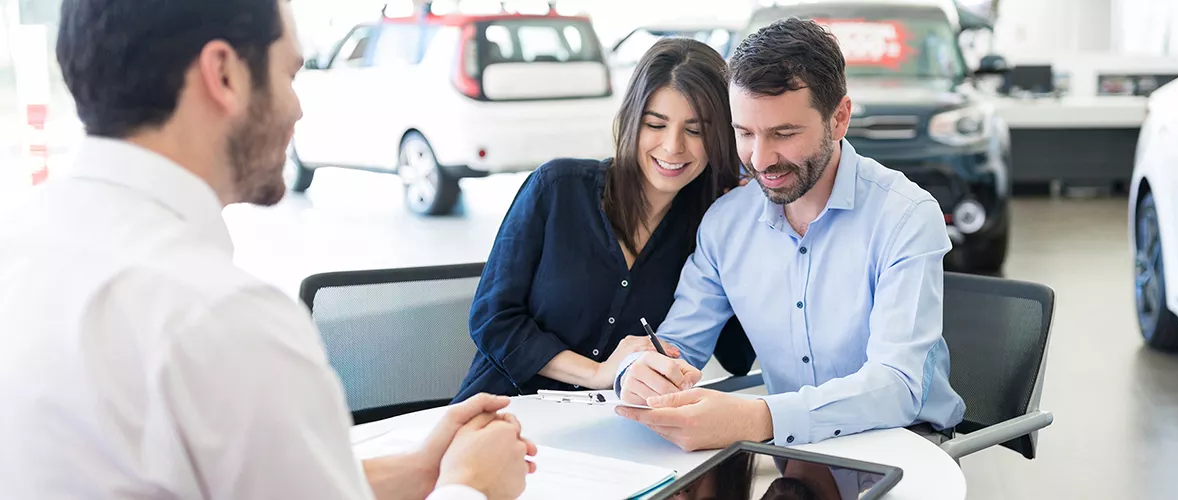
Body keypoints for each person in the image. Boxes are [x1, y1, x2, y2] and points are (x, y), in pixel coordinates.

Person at [0, 1, 535, 498]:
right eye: (289, 74)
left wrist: (419, 470)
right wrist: (470, 486)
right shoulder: (224, 317)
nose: (297, 109)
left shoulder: (22, 244)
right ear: (225, 74)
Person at [607, 18, 966, 451]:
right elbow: (679, 345)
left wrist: (759, 417)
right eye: (745, 133)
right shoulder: (726, 222)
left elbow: (897, 384)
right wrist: (641, 372)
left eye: (783, 134)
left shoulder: (905, 216)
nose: (760, 159)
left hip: (905, 443)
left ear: (840, 118)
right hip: (791, 451)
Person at [453, 38, 753, 400]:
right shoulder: (558, 188)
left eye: (695, 130)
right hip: (503, 413)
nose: (673, 147)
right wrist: (598, 373)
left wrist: (746, 225)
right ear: (630, 121)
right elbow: (493, 320)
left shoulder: (708, 228)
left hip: (614, 432)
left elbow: (738, 357)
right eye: (655, 125)